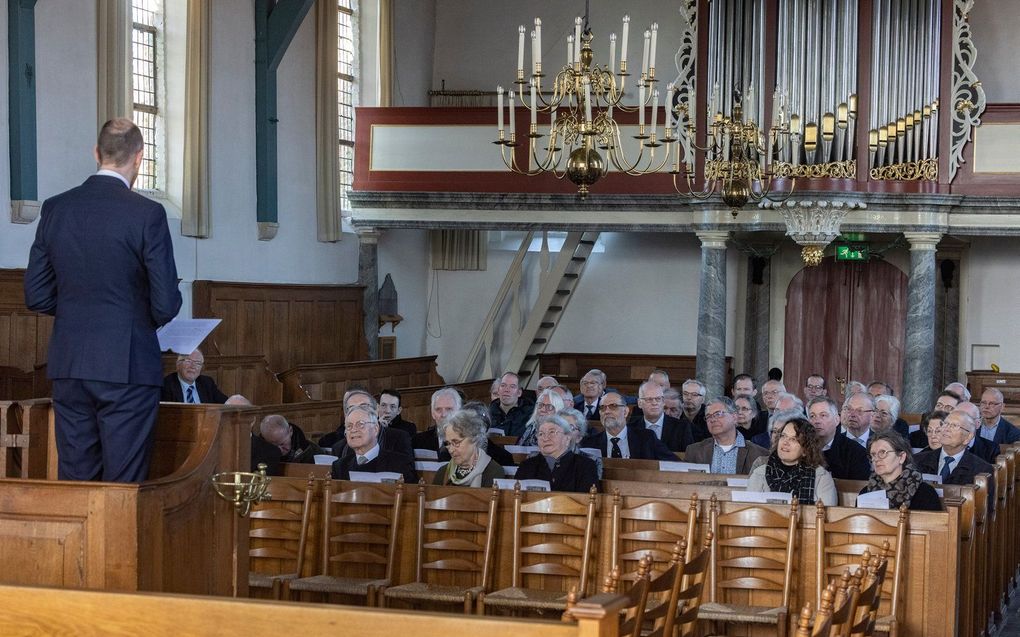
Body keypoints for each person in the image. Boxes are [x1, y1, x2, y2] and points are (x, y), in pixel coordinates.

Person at [24, 118, 182, 483]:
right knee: (122, 485)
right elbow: (164, 303)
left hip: (70, 363)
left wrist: (78, 312)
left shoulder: (56, 208)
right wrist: (134, 318)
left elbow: (36, 294)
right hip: (127, 365)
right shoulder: (147, 214)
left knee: (76, 480)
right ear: (140, 158)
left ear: (96, 153)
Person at [747, 417, 837, 505]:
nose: (785, 442)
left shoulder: (821, 477)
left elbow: (826, 516)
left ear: (806, 449)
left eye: (793, 439)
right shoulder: (760, 473)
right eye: (783, 436)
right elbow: (749, 512)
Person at [331, 405, 417, 483]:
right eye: (349, 426)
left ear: (375, 429)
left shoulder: (400, 464)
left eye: (360, 424)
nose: (353, 430)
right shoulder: (339, 467)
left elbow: (413, 496)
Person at [515, 414, 600, 493]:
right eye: (541, 434)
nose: (545, 438)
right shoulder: (527, 465)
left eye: (552, 432)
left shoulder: (585, 466)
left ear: (567, 438)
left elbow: (589, 501)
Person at [913, 411, 995, 491]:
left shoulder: (982, 470)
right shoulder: (917, 461)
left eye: (955, 426)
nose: (946, 429)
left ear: (968, 437)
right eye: (945, 424)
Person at [580, 392, 675, 460]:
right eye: (602, 408)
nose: (607, 411)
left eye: (613, 406)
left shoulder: (646, 438)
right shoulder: (590, 444)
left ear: (625, 412)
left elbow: (674, 463)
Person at [860, 432, 942, 511]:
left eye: (883, 453)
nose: (876, 459)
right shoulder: (865, 493)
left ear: (901, 457)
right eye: (873, 454)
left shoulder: (925, 494)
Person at [684, 398, 768, 474]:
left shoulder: (759, 454)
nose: (712, 419)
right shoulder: (694, 451)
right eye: (708, 416)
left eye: (718, 414)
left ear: (734, 417)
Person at [432, 409, 504, 487]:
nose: (451, 450)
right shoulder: (443, 472)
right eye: (448, 443)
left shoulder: (493, 471)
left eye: (456, 442)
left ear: (474, 438)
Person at [808, 396, 871, 480]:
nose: (817, 421)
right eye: (812, 416)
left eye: (823, 415)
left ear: (837, 420)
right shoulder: (801, 448)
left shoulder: (856, 452)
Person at [631, 380, 694, 452]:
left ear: (663, 402)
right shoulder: (631, 427)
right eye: (649, 399)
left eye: (658, 399)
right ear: (639, 403)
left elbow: (687, 459)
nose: (654, 403)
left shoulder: (682, 427)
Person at [160, 349, 229, 404]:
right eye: (188, 361)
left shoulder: (207, 383)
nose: (193, 366)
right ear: (178, 365)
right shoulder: (167, 384)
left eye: (198, 363)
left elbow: (225, 403)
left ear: (201, 368)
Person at [257, 414, 322, 469]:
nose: (279, 450)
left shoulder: (311, 451)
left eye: (282, 444)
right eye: (273, 446)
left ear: (290, 431)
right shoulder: (257, 451)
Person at [489, 372, 532, 437]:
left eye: (512, 387)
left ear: (519, 393)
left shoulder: (530, 415)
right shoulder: (488, 413)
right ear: (498, 390)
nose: (506, 390)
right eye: (503, 385)